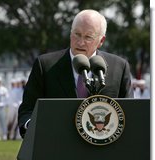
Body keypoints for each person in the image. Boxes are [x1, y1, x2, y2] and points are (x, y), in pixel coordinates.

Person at [18, 9, 134, 138]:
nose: (80, 42)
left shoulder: (119, 67)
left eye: (88, 37)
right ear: (70, 34)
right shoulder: (45, 65)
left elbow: (128, 113)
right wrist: (31, 126)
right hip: (56, 145)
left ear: (101, 41)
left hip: (103, 150)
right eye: (77, 34)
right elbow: (28, 109)